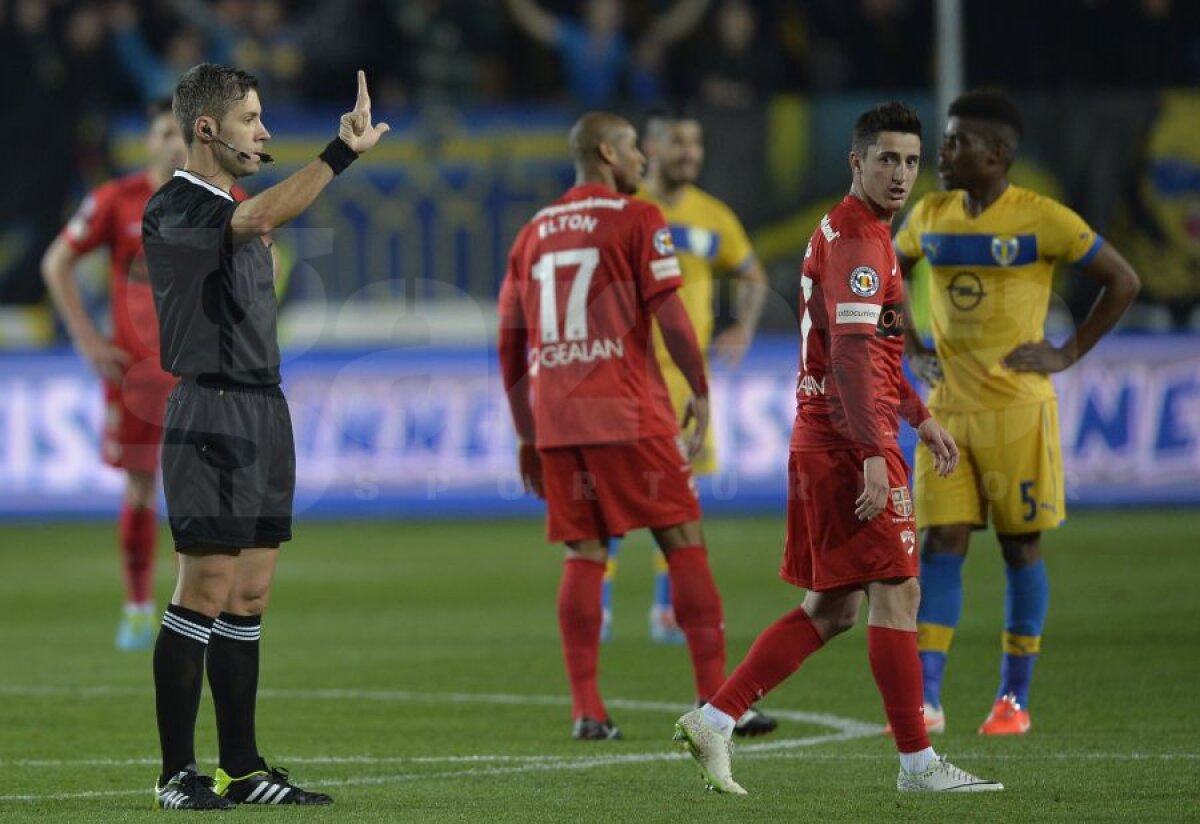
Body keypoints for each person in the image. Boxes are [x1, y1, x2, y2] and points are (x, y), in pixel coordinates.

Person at [674, 101, 1003, 794]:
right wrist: (878, 453)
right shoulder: (857, 239)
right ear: (856, 161)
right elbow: (852, 360)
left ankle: (716, 718)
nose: (901, 174)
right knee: (900, 592)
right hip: (845, 439)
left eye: (912, 161)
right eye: (887, 159)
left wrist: (918, 414)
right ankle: (918, 765)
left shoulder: (862, 231)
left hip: (831, 433)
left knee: (834, 608)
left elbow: (876, 347)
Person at [142, 63, 389, 810]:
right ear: (208, 128)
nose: (265, 131)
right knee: (205, 589)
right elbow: (255, 224)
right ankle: (177, 774)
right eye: (253, 118)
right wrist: (339, 153)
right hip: (210, 413)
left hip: (261, 409)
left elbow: (256, 230)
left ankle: (242, 768)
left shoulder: (238, 207)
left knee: (248, 595)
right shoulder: (178, 206)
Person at [893, 89, 1140, 736]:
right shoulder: (929, 214)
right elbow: (889, 274)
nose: (943, 154)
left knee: (1018, 546)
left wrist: (1068, 352)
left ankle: (1013, 700)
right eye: (944, 142)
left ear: (997, 153)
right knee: (939, 544)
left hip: (1017, 412)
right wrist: (913, 346)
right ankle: (928, 699)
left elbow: (1124, 280)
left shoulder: (1043, 218)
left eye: (957, 143)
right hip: (946, 411)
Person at [499, 111, 744, 742]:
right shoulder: (639, 218)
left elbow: (510, 341)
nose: (643, 159)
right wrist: (701, 389)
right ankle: (714, 704)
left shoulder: (533, 231)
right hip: (628, 409)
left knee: (585, 552)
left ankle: (587, 709)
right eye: (635, 147)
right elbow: (670, 314)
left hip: (558, 416)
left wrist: (529, 431)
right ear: (608, 152)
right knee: (683, 539)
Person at [599, 107, 768, 665]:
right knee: (610, 495)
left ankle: (668, 609)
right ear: (650, 147)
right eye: (678, 142)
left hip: (686, 378)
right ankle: (596, 606)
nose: (689, 153)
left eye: (695, 142)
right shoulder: (625, 207)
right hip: (626, 374)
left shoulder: (713, 216)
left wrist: (741, 325)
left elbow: (752, 277)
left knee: (679, 498)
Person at [41, 98, 187, 651]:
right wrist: (87, 340)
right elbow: (56, 262)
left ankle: (190, 610)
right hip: (136, 377)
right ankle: (136, 606)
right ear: (148, 140)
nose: (174, 142)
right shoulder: (115, 200)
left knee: (198, 493)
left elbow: (261, 256)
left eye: (182, 132)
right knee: (142, 487)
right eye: (163, 131)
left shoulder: (219, 200)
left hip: (197, 373)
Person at [505, 0, 710, 107]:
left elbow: (676, 24)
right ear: (588, 9)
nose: (607, 11)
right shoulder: (575, 39)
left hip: (631, 124)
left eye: (613, 6)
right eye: (601, 5)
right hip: (585, 123)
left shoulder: (632, 40)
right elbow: (533, 20)